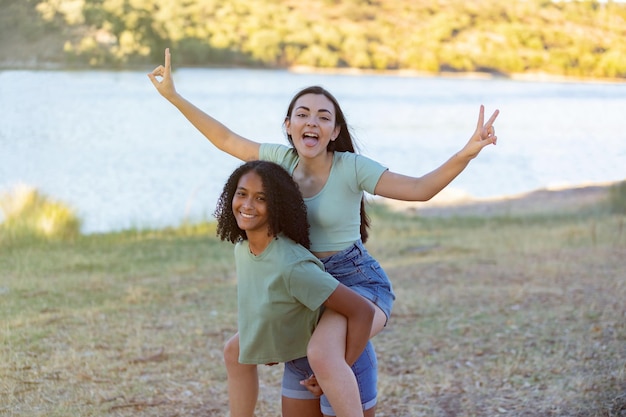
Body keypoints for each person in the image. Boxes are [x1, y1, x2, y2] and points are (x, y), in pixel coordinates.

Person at [148, 48, 499, 416]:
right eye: (302, 114)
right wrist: (173, 96)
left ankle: (340, 371)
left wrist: (468, 152)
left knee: (321, 352)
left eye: (322, 116)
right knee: (237, 350)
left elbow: (420, 189)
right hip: (305, 286)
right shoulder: (279, 163)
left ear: (334, 131)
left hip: (357, 283)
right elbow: (225, 138)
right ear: (288, 126)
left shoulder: (351, 168)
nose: (311, 121)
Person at [214, 160, 375, 417]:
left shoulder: (292, 265)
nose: (247, 204)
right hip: (299, 362)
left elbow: (361, 311)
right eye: (242, 194)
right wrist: (266, 344)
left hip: (340, 362)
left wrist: (339, 365)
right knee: (234, 350)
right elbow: (268, 306)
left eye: (261, 198)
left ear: (277, 206)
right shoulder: (243, 250)